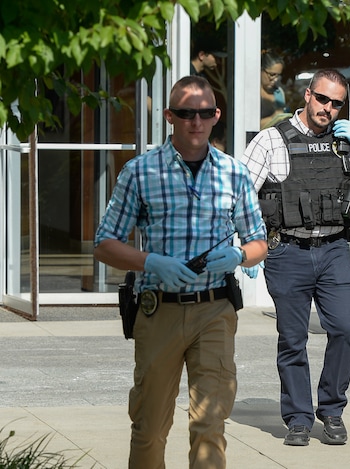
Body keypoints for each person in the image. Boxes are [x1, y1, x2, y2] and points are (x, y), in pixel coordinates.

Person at [93, 76, 268, 468]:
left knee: (210, 425)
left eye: (205, 113)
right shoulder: (140, 172)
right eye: (187, 113)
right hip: (160, 312)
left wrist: (238, 256)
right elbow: (104, 243)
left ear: (216, 116)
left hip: (215, 309)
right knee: (150, 425)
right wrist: (149, 262)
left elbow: (259, 242)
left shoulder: (234, 174)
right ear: (170, 116)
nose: (196, 121)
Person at [240, 69, 350, 447]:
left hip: (334, 249)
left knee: (344, 329)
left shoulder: (345, 141)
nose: (328, 108)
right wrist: (246, 243)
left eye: (337, 103)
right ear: (307, 95)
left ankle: (332, 410)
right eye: (323, 99)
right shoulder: (271, 140)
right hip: (287, 251)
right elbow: (238, 194)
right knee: (292, 339)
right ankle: (298, 418)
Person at [260, 50, 290, 129]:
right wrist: (273, 117)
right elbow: (248, 126)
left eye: (278, 75)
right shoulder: (251, 92)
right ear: (260, 70)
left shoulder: (278, 92)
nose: (275, 80)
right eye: (272, 75)